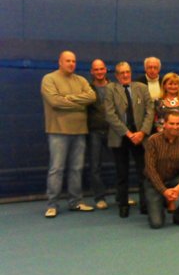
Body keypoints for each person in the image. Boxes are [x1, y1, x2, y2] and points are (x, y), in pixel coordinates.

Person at [41, 51, 97, 217]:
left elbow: (91, 97)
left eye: (73, 61)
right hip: (58, 131)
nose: (71, 64)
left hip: (79, 131)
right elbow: (54, 102)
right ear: (60, 62)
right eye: (68, 61)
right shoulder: (49, 79)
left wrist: (67, 98)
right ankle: (52, 204)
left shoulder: (81, 80)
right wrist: (79, 102)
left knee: (76, 169)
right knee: (56, 169)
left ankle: (76, 202)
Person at [105, 62, 155, 217]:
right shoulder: (111, 89)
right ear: (116, 75)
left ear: (131, 73)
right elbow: (110, 115)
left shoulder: (142, 88)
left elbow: (150, 111)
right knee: (122, 173)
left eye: (127, 72)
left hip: (140, 137)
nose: (125, 75)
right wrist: (128, 133)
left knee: (144, 173)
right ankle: (123, 204)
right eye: (122, 73)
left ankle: (145, 204)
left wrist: (142, 132)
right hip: (120, 137)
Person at [86, 59, 111, 209]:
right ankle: (99, 197)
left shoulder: (114, 87)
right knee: (95, 166)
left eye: (101, 69)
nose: (99, 72)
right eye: (96, 69)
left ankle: (122, 196)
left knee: (121, 164)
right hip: (94, 132)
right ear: (92, 72)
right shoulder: (87, 89)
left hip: (113, 132)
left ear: (106, 70)